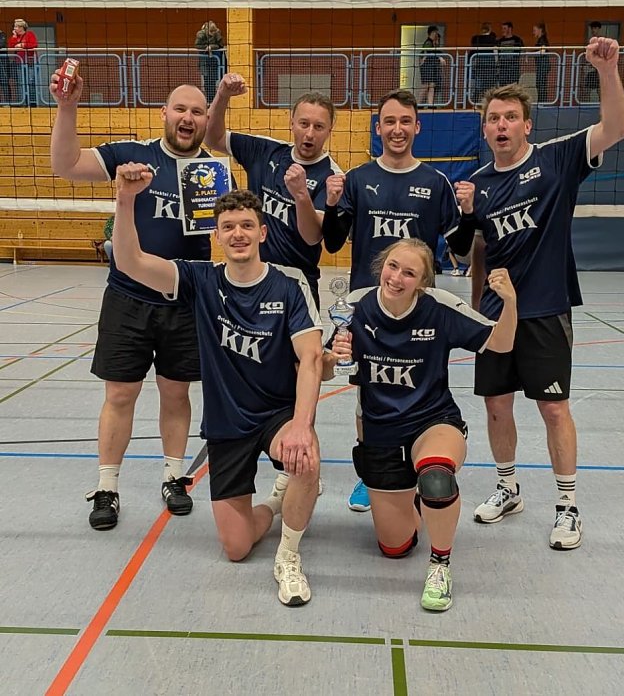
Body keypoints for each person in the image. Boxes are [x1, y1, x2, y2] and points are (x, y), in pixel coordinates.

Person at [450, 36, 624, 550]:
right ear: (484, 129)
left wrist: (607, 70)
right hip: (494, 316)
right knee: (497, 407)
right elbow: (463, 254)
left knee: (554, 410)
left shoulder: (557, 159)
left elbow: (616, 128)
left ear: (527, 125)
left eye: (510, 117)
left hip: (547, 308)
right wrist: (463, 218)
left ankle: (568, 505)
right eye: (492, 118)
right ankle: (508, 487)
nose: (501, 125)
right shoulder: (477, 183)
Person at [49, 67, 245, 531]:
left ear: (204, 120)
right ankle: (107, 486)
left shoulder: (215, 173)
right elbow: (64, 165)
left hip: (186, 300)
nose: (189, 117)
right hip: (128, 297)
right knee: (120, 393)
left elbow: (232, 234)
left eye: (198, 112)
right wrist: (66, 106)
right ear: (164, 113)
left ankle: (175, 476)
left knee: (176, 393)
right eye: (180, 108)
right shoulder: (130, 155)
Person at [113, 183, 323, 607]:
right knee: (237, 546)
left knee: (305, 458)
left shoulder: (288, 286)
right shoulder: (200, 279)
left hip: (277, 415)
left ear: (262, 232)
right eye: (228, 227)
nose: (238, 234)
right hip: (228, 425)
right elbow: (130, 261)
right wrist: (125, 200)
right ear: (217, 236)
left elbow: (312, 358)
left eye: (247, 225)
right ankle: (276, 501)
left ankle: (288, 555)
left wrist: (301, 426)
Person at [323, 239, 517, 611]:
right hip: (381, 435)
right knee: (393, 548)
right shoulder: (352, 307)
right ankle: (412, 498)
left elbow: (502, 344)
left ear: (423, 282)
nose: (397, 278)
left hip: (433, 422)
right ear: (381, 266)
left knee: (436, 478)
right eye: (393, 267)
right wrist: (333, 357)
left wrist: (509, 302)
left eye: (409, 273)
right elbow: (325, 369)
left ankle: (440, 564)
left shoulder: (439, 308)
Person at [321, 88, 473, 512]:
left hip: (419, 311)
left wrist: (468, 212)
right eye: (389, 121)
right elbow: (333, 242)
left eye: (405, 121)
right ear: (379, 128)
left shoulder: (435, 182)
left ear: (417, 127)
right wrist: (332, 204)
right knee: (365, 392)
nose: (397, 129)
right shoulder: (357, 179)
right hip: (367, 308)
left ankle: (420, 464)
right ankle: (372, 473)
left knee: (419, 389)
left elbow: (459, 248)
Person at [205, 77, 342, 309]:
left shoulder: (332, 176)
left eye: (318, 127)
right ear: (291, 123)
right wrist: (222, 96)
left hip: (297, 283)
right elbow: (212, 138)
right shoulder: (266, 151)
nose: (309, 134)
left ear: (329, 129)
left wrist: (301, 195)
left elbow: (312, 237)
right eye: (303, 124)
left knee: (301, 346)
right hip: (252, 275)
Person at [194, 21, 225, 103]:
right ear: (207, 30)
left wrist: (212, 46)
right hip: (205, 61)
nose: (212, 33)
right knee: (207, 81)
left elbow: (221, 44)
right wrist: (206, 47)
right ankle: (209, 100)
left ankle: (214, 100)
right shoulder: (201, 35)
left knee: (214, 80)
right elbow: (197, 45)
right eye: (211, 32)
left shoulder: (217, 33)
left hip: (215, 61)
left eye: (214, 32)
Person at [9, 18, 38, 106]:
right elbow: (11, 46)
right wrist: (14, 36)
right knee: (21, 82)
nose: (14, 28)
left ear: (21, 27)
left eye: (16, 27)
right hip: (19, 63)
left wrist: (23, 45)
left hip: (30, 63)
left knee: (31, 82)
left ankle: (32, 103)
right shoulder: (16, 37)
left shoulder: (29, 34)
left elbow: (34, 44)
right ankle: (24, 102)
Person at [417, 26, 446, 107]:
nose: (436, 35)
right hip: (426, 66)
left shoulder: (435, 44)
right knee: (425, 85)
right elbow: (429, 52)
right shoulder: (428, 43)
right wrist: (440, 58)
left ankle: (430, 104)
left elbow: (438, 52)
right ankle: (418, 104)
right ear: (432, 33)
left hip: (433, 66)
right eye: (435, 33)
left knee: (432, 85)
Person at [469, 22, 497, 104]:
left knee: (478, 86)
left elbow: (472, 51)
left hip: (479, 65)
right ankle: (488, 103)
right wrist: (497, 62)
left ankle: (475, 103)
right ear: (490, 29)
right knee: (490, 86)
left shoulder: (476, 39)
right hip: (490, 65)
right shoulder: (492, 39)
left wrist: (472, 63)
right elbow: (495, 51)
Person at [497, 21, 524, 86]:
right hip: (503, 67)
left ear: (510, 29)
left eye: (504, 28)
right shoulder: (499, 41)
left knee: (513, 86)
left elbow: (522, 51)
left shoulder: (517, 40)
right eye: (502, 28)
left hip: (513, 67)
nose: (502, 30)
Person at [583, 21, 602, 101]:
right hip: (591, 70)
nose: (593, 30)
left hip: (599, 69)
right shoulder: (590, 41)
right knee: (587, 90)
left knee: (600, 90)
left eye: (595, 28)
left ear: (599, 29)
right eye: (592, 28)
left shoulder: (601, 41)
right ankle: (584, 108)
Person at [532, 22, 551, 103]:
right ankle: (541, 102)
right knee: (539, 84)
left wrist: (529, 54)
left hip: (543, 65)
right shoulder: (540, 40)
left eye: (534, 30)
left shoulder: (543, 39)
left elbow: (542, 51)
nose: (533, 32)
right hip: (540, 65)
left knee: (541, 84)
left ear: (540, 30)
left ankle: (543, 103)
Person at [0, 28, 10, 104]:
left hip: (2, 62)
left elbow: (2, 44)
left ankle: (7, 102)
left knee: (4, 81)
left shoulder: (2, 34)